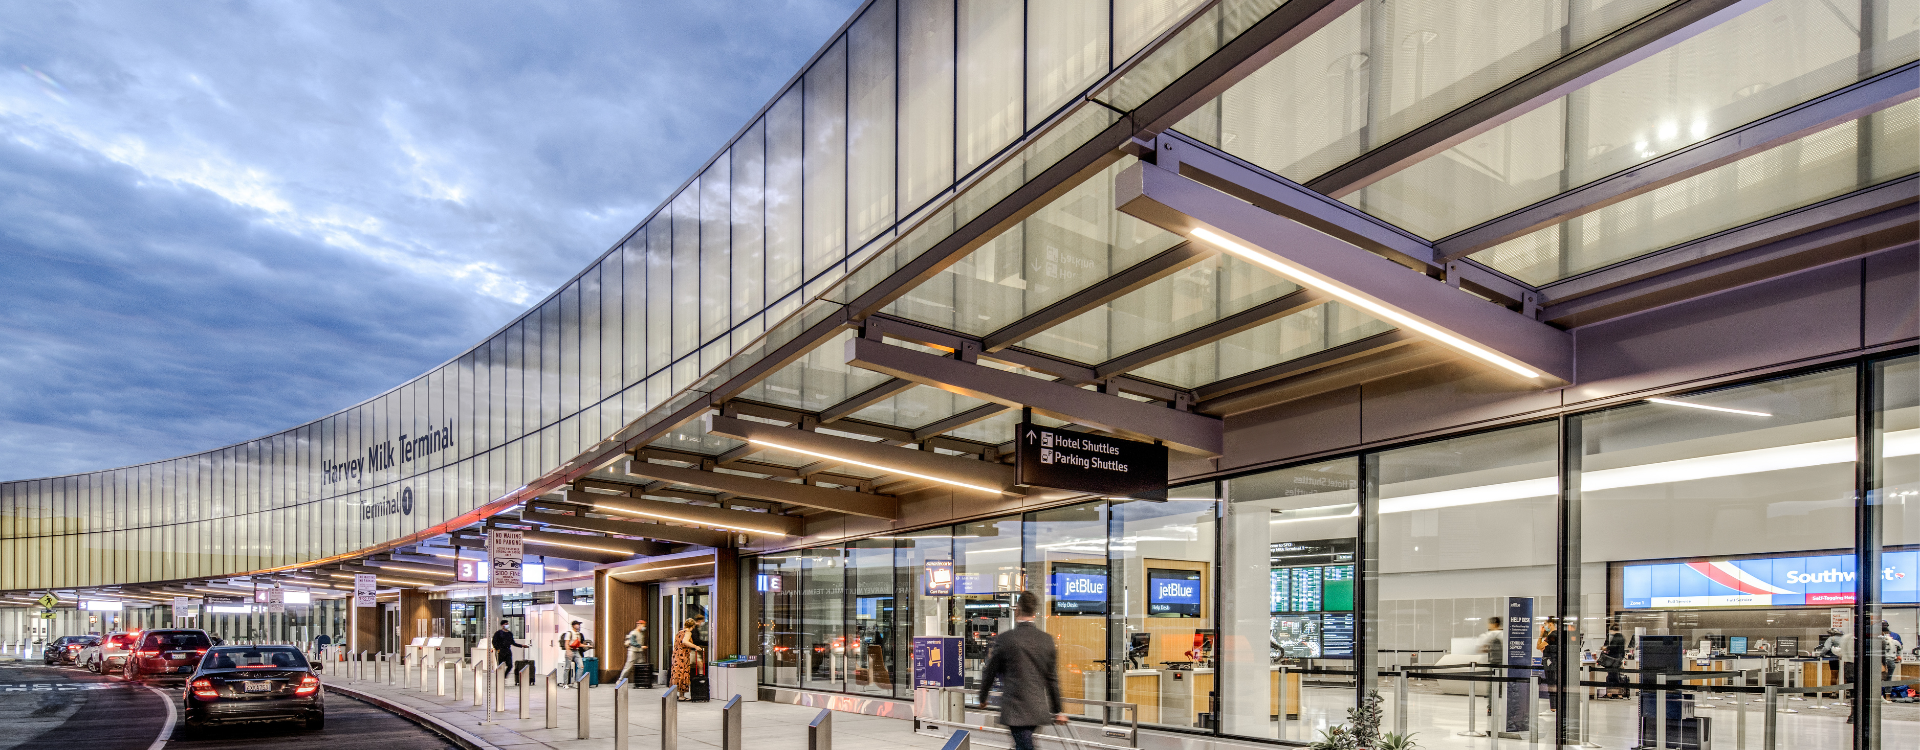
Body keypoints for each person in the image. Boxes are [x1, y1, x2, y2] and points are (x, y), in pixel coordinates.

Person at [977, 591, 1065, 750]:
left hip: (1015, 710)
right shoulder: (1046, 640)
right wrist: (1058, 710)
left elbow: (990, 671)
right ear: (1034, 612)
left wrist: (983, 698)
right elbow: (1052, 678)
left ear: (1017, 609)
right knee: (1023, 744)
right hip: (1038, 709)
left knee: (1024, 745)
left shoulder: (1005, 639)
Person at [671, 618, 703, 701]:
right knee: (683, 674)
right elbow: (685, 641)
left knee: (676, 674)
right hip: (683, 656)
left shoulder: (679, 632)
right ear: (692, 626)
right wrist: (695, 646)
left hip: (676, 655)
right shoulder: (688, 632)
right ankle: (682, 696)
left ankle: (674, 693)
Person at [560, 621, 592, 688]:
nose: (579, 626)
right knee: (567, 667)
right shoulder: (569, 633)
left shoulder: (578, 634)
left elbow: (579, 644)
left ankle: (576, 682)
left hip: (576, 651)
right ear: (573, 625)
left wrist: (587, 646)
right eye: (577, 625)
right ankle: (565, 683)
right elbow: (566, 643)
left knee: (581, 666)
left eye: (579, 625)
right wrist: (568, 651)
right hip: (570, 650)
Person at [1600, 624, 1628, 699]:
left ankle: (1611, 693)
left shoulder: (1616, 637)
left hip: (1613, 659)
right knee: (1615, 676)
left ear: (1612, 630)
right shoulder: (1622, 637)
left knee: (1612, 676)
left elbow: (1613, 647)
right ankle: (1617, 693)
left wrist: (1605, 648)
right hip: (1618, 659)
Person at [621, 618, 648, 683]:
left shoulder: (641, 633)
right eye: (643, 625)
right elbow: (632, 642)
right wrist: (641, 646)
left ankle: (640, 681)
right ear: (639, 625)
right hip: (633, 652)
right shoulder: (633, 633)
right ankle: (620, 680)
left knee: (641, 666)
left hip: (640, 652)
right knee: (628, 667)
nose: (644, 627)